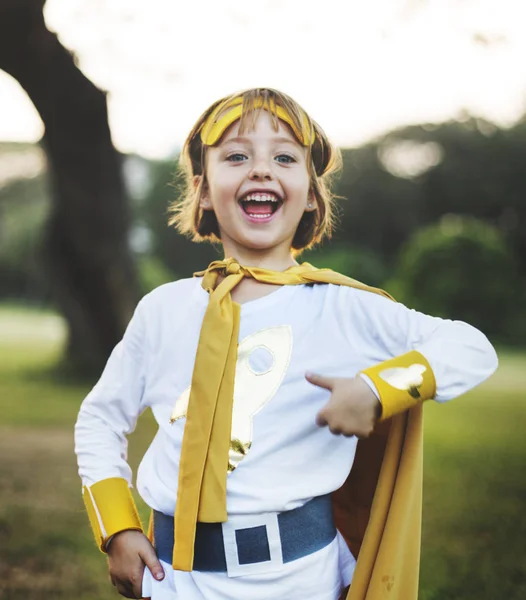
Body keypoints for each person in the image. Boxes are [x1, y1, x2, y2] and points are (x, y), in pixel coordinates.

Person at [75, 88, 498, 600]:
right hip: (174, 582)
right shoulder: (163, 309)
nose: (260, 170)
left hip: (299, 581)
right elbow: (100, 418)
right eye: (235, 156)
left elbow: (470, 346)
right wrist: (117, 526)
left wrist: (377, 388)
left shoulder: (343, 307)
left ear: (312, 195)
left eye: (283, 157)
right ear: (203, 191)